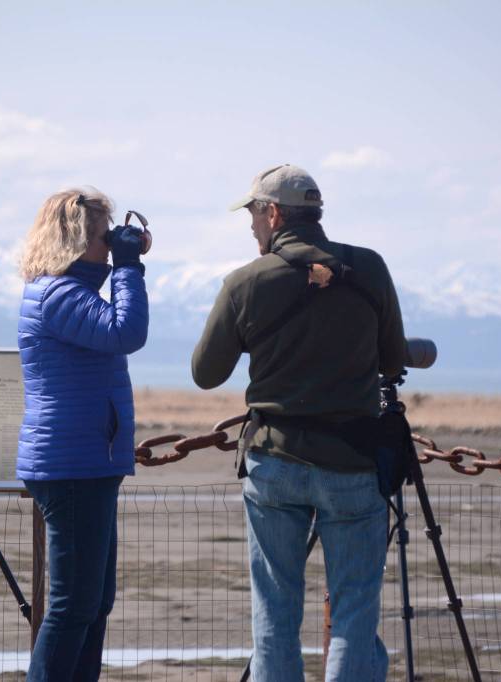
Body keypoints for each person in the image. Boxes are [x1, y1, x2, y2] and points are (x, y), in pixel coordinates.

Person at [191, 165, 407, 681]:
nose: (250, 226)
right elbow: (394, 359)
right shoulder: (369, 268)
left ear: (272, 214)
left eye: (252, 214)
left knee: (275, 610)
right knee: (355, 610)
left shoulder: (246, 282)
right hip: (353, 462)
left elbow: (205, 373)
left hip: (275, 461)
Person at [16, 188, 149, 681]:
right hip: (72, 465)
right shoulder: (60, 295)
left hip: (86, 460)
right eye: (102, 237)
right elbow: (126, 333)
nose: (109, 246)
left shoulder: (69, 292)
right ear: (74, 239)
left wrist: (121, 262)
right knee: (73, 605)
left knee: (93, 603)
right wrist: (129, 266)